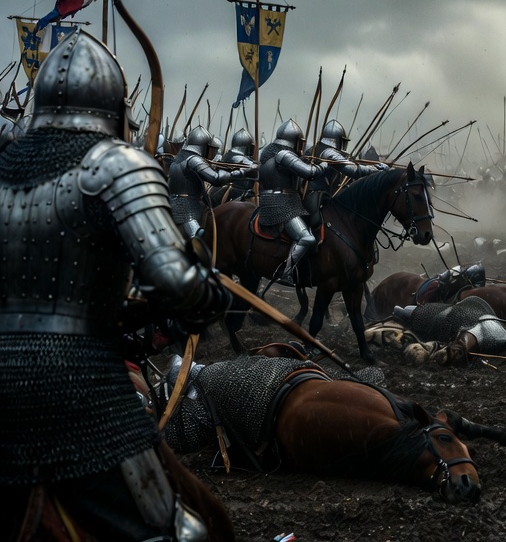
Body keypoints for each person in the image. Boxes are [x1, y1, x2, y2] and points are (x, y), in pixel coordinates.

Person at [0, 30, 231, 539]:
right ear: (115, 108)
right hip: (74, 385)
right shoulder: (114, 166)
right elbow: (175, 282)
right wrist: (208, 292)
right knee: (177, 534)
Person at [257, 119, 329, 284]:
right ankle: (285, 273)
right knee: (307, 238)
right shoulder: (284, 155)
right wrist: (322, 165)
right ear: (295, 141)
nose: (301, 147)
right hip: (281, 203)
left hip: (285, 200)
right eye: (300, 143)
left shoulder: (274, 153)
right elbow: (309, 173)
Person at [168, 125, 255, 240]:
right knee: (200, 241)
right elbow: (216, 179)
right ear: (203, 146)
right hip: (188, 211)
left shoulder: (178, 158)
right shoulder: (194, 160)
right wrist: (244, 172)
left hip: (176, 205)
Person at [306, 119, 387, 225]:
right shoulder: (328, 153)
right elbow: (353, 170)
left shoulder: (318, 148)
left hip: (320, 195)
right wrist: (377, 169)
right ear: (337, 140)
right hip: (315, 197)